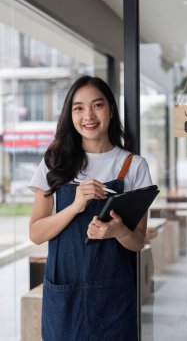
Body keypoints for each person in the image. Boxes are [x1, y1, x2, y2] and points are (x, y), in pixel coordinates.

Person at [28, 75, 152, 341]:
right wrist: (74, 207)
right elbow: (36, 233)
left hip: (114, 299)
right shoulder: (54, 162)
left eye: (97, 105)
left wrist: (118, 231)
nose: (88, 115)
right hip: (64, 296)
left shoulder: (133, 166)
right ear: (70, 114)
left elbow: (139, 241)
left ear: (110, 109)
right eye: (79, 107)